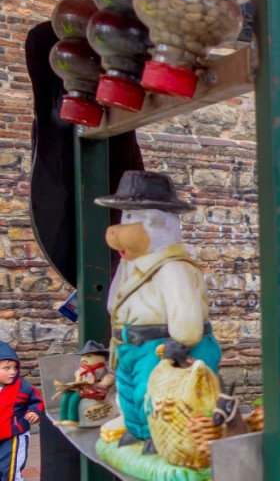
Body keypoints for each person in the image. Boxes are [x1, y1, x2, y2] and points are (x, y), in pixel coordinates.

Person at [98, 171, 222, 447]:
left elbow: (185, 308)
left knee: (154, 393)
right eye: (124, 217)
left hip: (160, 344)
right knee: (129, 390)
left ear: (155, 223)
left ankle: (159, 436)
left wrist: (183, 339)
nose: (118, 229)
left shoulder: (173, 267)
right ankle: (138, 430)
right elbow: (114, 301)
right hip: (130, 342)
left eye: (132, 218)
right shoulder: (130, 264)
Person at [0, 341, 44, 481]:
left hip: (14, 434)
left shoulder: (22, 386)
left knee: (9, 466)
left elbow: (37, 400)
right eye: (7, 368)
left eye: (15, 367)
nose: (12, 372)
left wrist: (35, 411)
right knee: (3, 468)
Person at [55, 340, 113, 427]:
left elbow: (109, 379)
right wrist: (78, 380)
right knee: (66, 395)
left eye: (88, 356)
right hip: (83, 387)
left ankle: (73, 419)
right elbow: (78, 381)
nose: (85, 359)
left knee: (75, 397)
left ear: (101, 357)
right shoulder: (82, 370)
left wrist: (102, 383)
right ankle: (63, 419)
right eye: (83, 357)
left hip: (96, 391)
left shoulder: (104, 370)